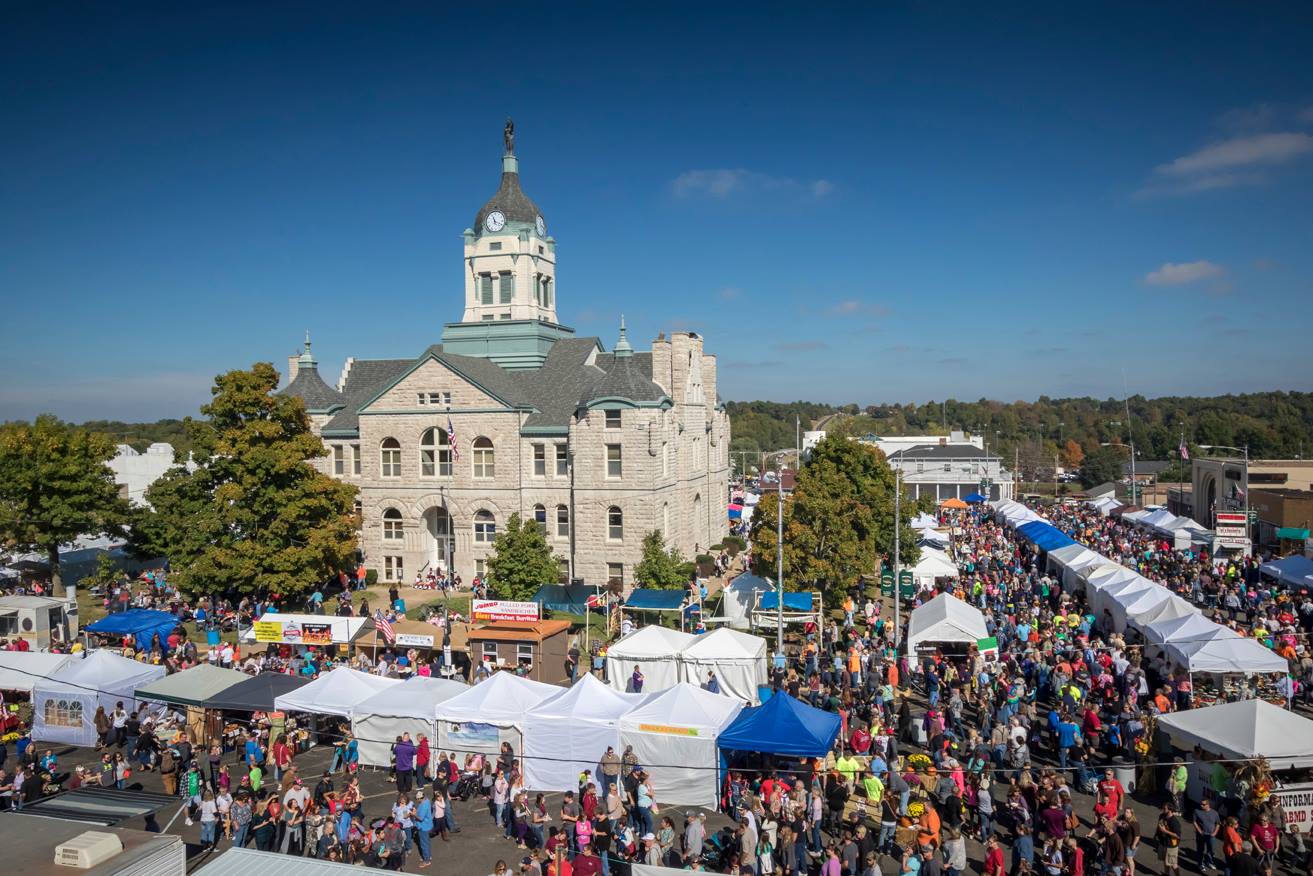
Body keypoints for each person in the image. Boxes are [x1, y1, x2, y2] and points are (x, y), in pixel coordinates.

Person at [1194, 797, 1220, 871]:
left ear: (1208, 805)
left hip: (1211, 835)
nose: (1201, 806)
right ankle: (1200, 864)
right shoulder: (1196, 811)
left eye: (1203, 804)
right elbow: (1194, 821)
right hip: (1201, 835)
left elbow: (1218, 823)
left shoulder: (1214, 813)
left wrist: (1215, 833)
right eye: (1201, 804)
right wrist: (1199, 830)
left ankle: (1209, 862)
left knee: (1211, 850)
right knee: (1200, 850)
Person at [1156, 803, 1182, 876]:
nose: (1163, 809)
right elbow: (1159, 825)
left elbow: (1178, 835)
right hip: (1163, 843)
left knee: (1173, 864)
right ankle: (1166, 874)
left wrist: (1165, 831)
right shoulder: (1162, 816)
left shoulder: (1174, 822)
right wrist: (1156, 835)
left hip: (1171, 845)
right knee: (1165, 860)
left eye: (1164, 809)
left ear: (1170, 810)